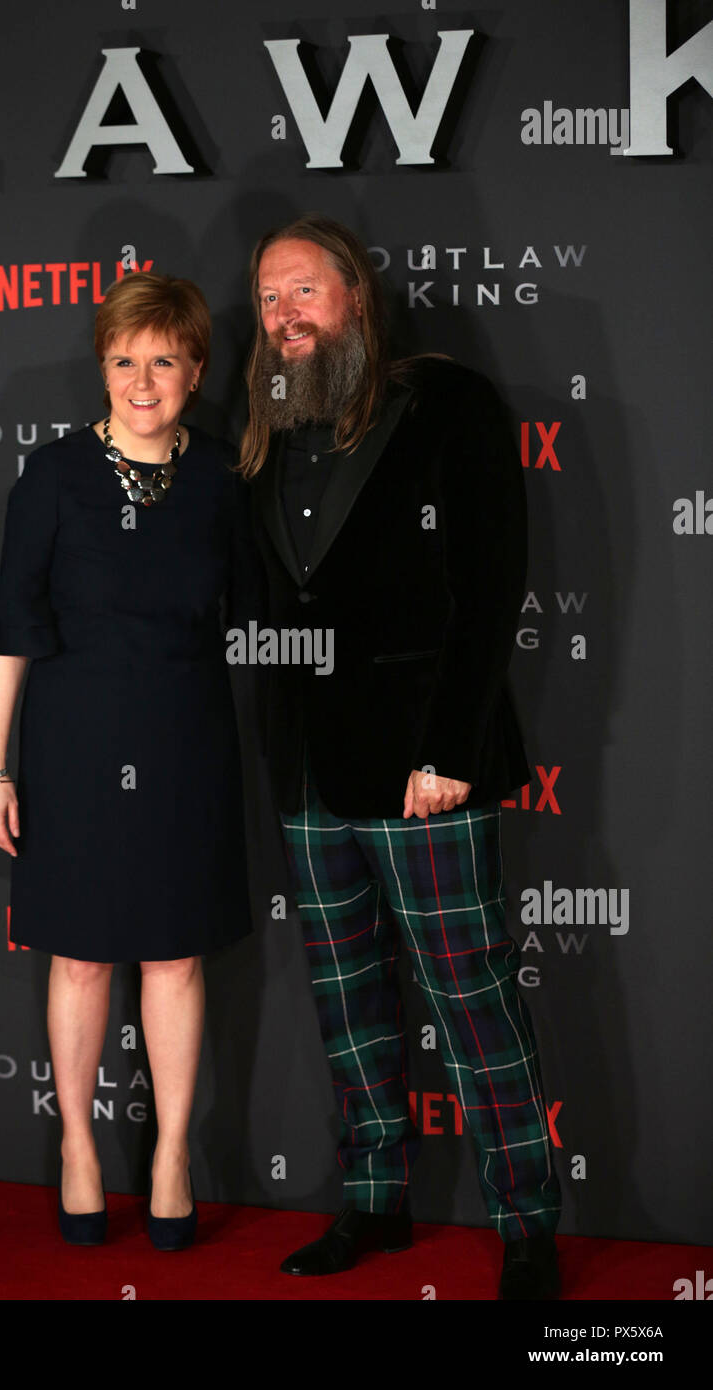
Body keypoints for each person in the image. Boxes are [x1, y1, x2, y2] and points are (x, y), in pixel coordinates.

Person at [240, 213, 562, 1299]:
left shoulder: (446, 403)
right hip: (310, 769)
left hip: (425, 763)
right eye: (268, 299)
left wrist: (452, 746)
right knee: (344, 995)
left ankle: (527, 1224)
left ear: (354, 301)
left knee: (468, 992)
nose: (283, 316)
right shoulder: (262, 423)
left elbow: (489, 586)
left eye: (303, 294)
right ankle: (372, 1205)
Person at [0, 271, 257, 1250]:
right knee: (81, 955)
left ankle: (172, 1153)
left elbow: (262, 610)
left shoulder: (221, 476)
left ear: (195, 370)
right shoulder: (50, 476)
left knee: (174, 954)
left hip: (185, 737)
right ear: (101, 366)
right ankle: (79, 1150)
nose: (142, 379)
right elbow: (13, 629)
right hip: (73, 740)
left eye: (163, 360)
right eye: (123, 359)